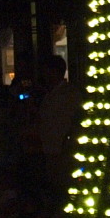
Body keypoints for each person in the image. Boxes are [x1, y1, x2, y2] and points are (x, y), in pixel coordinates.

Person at [36, 55, 82, 203]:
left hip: (61, 149)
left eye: (46, 71)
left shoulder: (68, 94)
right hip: (50, 148)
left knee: (60, 188)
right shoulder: (50, 94)